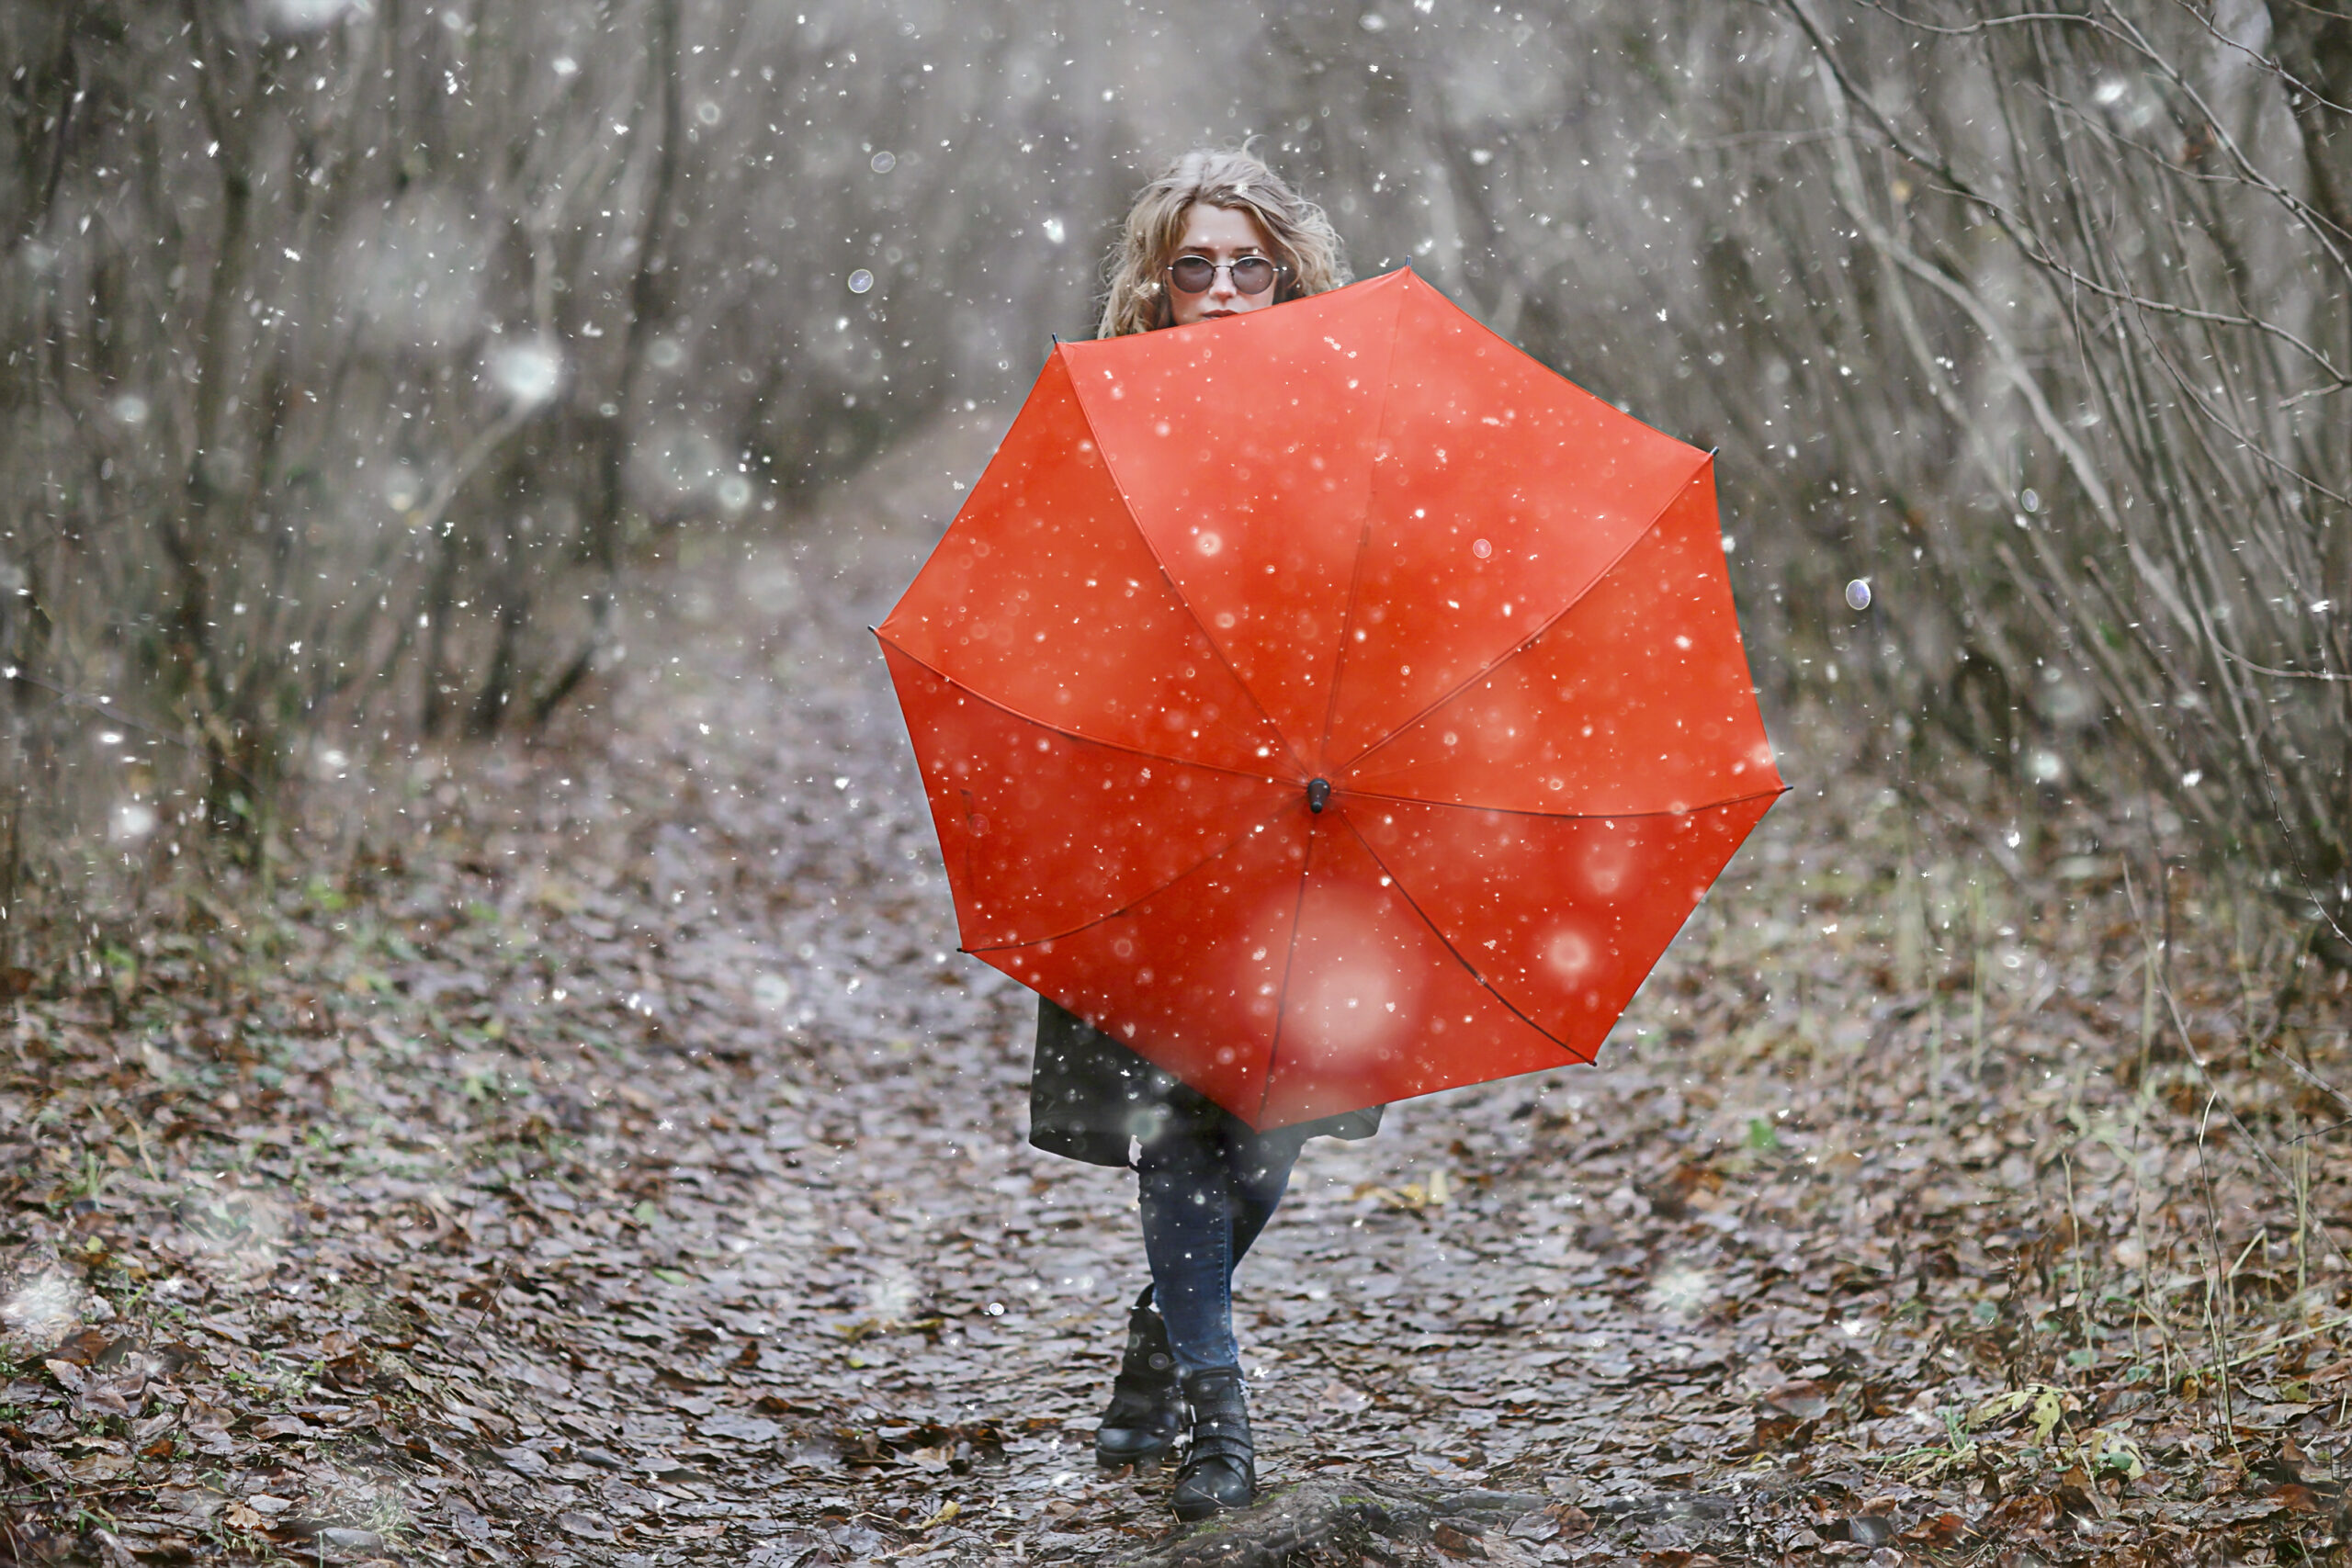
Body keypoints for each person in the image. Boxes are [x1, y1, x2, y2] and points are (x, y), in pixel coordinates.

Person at [1024, 147, 1380, 1524]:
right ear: (1156, 285)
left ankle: (1158, 1340)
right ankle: (1218, 1412)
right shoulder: (1104, 419)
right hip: (1155, 808)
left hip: (1313, 808)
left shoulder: (1351, 409)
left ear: (1286, 270)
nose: (1225, 291)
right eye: (1196, 268)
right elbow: (1055, 612)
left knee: (1276, 1122)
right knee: (1179, 1117)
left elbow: (1384, 591)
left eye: (1251, 264)